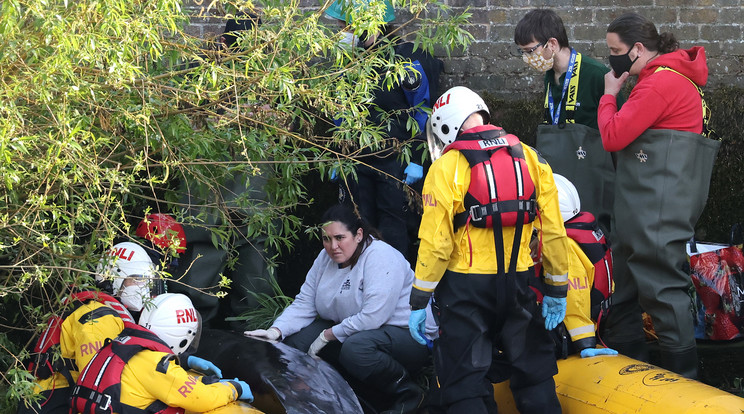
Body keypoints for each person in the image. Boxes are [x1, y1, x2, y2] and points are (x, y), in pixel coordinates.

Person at [408, 86, 569, 414]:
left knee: (465, 382)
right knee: (534, 375)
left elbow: (436, 243)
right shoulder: (530, 156)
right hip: (520, 282)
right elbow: (554, 230)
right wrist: (557, 289)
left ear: (444, 125)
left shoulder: (447, 166)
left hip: (466, 289)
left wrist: (419, 298)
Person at [598, 12, 720, 379]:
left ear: (638, 48)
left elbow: (612, 136)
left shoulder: (658, 85)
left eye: (615, 51)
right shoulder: (676, 79)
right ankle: (640, 376)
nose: (612, 59)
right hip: (657, 201)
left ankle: (682, 383)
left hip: (655, 206)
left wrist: (609, 95)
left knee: (662, 289)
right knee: (629, 283)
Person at [245, 204, 435, 414]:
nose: (332, 246)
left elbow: (373, 317)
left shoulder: (381, 256)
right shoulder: (325, 258)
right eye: (326, 239)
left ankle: (409, 396)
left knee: (356, 349)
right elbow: (304, 303)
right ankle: (319, 401)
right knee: (295, 342)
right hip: (356, 330)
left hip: (407, 336)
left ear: (358, 234)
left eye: (339, 238)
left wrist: (328, 335)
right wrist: (275, 331)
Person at [170, 12, 276, 330]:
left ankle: (198, 344)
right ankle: (245, 350)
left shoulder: (207, 82)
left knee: (206, 290)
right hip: (236, 208)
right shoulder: (266, 85)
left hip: (221, 210)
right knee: (242, 290)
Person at [326, 0, 444, 263]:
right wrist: (337, 155)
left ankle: (395, 288)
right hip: (357, 159)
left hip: (395, 161)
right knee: (357, 224)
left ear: (372, 26)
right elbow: (340, 112)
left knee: (394, 225)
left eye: (346, 26)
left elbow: (423, 111)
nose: (341, 32)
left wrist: (416, 159)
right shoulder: (347, 63)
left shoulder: (405, 60)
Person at [19, 241, 168, 414]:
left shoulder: (99, 310)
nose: (144, 289)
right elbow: (95, 385)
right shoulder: (97, 318)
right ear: (114, 279)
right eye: (137, 279)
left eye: (146, 281)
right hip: (53, 402)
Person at [514, 9, 619, 240]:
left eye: (530, 50)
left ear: (551, 44)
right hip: (560, 180)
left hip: (593, 179)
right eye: (522, 52)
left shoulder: (595, 74)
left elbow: (621, 127)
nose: (527, 58)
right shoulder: (550, 77)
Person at [70, 293, 253, 414]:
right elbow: (201, 398)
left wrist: (185, 362)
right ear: (183, 336)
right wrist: (233, 388)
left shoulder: (123, 344)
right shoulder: (159, 366)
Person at [543, 174, 618, 359]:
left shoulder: (565, 245)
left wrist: (584, 342)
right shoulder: (587, 229)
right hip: (595, 316)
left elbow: (575, 296)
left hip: (570, 332)